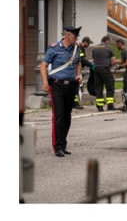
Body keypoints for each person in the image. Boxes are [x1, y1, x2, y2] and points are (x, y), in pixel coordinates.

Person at [40, 26, 83, 157]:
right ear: (68, 35)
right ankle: (57, 146)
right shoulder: (54, 47)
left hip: (71, 85)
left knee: (67, 116)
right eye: (75, 36)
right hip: (57, 85)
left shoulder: (76, 48)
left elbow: (78, 62)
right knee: (58, 116)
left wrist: (79, 74)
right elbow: (44, 65)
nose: (76, 39)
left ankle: (63, 144)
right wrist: (45, 82)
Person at [92, 35, 117, 111]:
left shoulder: (95, 48)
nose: (110, 43)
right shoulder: (109, 48)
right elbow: (114, 61)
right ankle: (110, 105)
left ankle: (100, 106)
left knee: (99, 87)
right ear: (106, 40)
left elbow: (93, 59)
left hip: (96, 69)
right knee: (110, 86)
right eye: (110, 41)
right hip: (105, 69)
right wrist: (110, 64)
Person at [73, 36, 94, 109]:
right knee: (76, 87)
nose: (89, 45)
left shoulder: (81, 48)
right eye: (88, 43)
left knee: (76, 87)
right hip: (76, 71)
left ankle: (74, 102)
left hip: (77, 70)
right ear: (85, 42)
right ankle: (75, 103)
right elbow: (81, 59)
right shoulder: (80, 48)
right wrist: (91, 65)